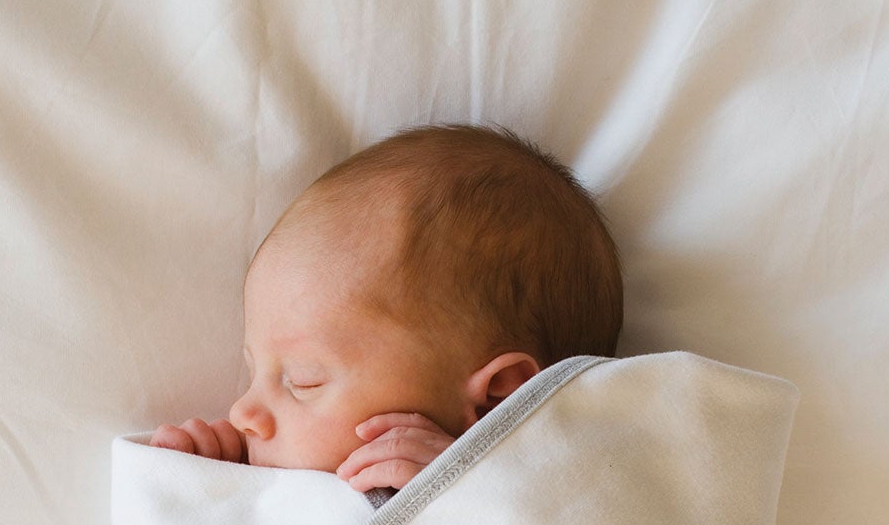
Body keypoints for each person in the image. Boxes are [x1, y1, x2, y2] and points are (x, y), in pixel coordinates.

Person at [149, 122, 622, 502]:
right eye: (255, 371)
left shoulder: (556, 505)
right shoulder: (273, 489)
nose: (242, 413)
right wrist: (201, 492)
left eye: (304, 380)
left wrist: (469, 493)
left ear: (497, 399)